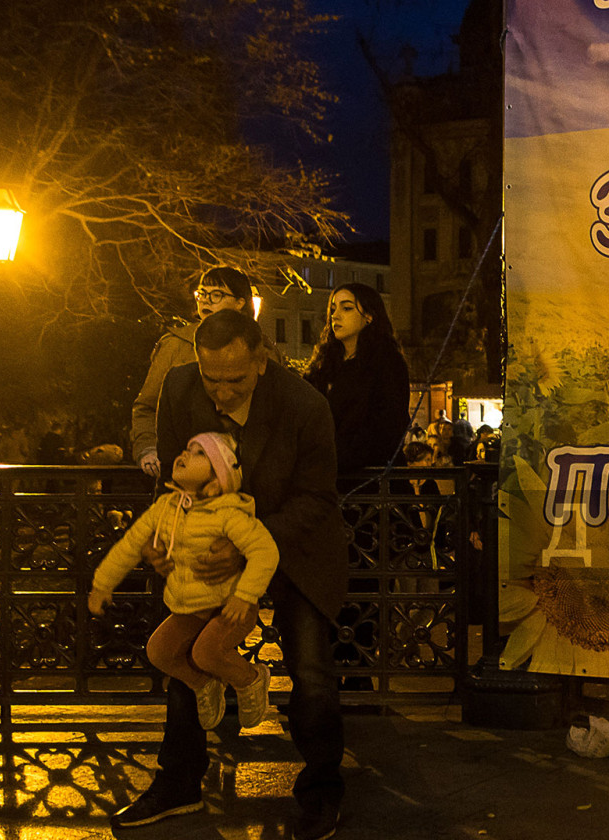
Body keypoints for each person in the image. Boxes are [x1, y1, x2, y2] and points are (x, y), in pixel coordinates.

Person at [109, 310, 346, 840]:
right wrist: (167, 537)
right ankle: (178, 783)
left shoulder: (305, 405)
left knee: (311, 672)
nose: (221, 393)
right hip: (210, 548)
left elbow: (316, 499)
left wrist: (245, 545)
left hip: (295, 548)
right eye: (210, 378)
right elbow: (177, 482)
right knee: (182, 658)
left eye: (235, 380)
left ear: (261, 361)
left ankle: (322, 791)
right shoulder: (179, 387)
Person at [88, 432, 277, 732]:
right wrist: (102, 584)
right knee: (159, 652)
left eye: (200, 453)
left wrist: (244, 595)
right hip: (191, 606)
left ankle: (250, 679)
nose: (185, 454)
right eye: (188, 449)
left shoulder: (229, 512)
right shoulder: (166, 507)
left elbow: (265, 551)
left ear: (217, 477)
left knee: (206, 652)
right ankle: (203, 684)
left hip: (231, 606)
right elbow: (131, 544)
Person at [131, 266, 255, 478]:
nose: (206, 301)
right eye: (202, 294)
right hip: (186, 474)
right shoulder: (176, 345)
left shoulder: (260, 351)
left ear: (240, 302)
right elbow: (147, 406)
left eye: (216, 294)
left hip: (244, 474)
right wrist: (148, 448)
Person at [304, 283, 411, 473]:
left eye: (346, 308)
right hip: (325, 476)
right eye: (333, 309)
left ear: (369, 316)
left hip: (368, 478)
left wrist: (338, 455)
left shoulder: (387, 363)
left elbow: (389, 426)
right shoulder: (323, 365)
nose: (335, 316)